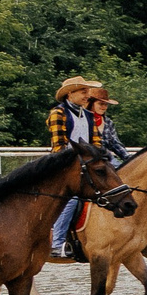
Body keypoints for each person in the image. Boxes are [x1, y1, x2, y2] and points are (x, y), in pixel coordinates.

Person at [45, 76, 97, 258]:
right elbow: (59, 147)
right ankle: (57, 242)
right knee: (72, 198)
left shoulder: (89, 116)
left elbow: (96, 143)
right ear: (70, 94)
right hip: (63, 166)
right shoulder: (58, 114)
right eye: (83, 92)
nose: (87, 96)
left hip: (86, 164)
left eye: (88, 92)